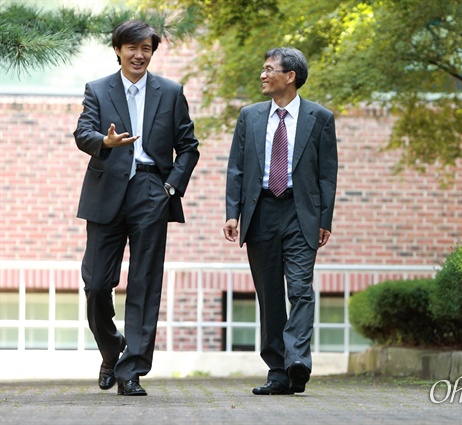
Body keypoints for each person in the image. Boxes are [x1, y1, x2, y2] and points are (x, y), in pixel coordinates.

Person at [73, 20, 199, 396]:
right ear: (118, 50)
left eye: (146, 48)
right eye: (132, 47)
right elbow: (83, 133)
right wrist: (105, 142)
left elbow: (189, 146)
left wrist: (170, 187)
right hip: (106, 190)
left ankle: (132, 371)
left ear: (151, 53)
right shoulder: (97, 89)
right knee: (96, 285)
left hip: (151, 188)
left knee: (144, 283)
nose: (139, 54)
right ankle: (112, 348)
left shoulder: (171, 92)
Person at [223, 47, 338, 395]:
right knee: (270, 294)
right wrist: (233, 212)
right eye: (263, 68)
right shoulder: (250, 116)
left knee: (301, 289)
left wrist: (325, 218)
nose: (263, 74)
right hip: (260, 213)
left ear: (290, 76)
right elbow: (236, 168)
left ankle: (297, 360)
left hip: (300, 212)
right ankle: (278, 370)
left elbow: (327, 175)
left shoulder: (320, 118)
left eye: (269, 69)